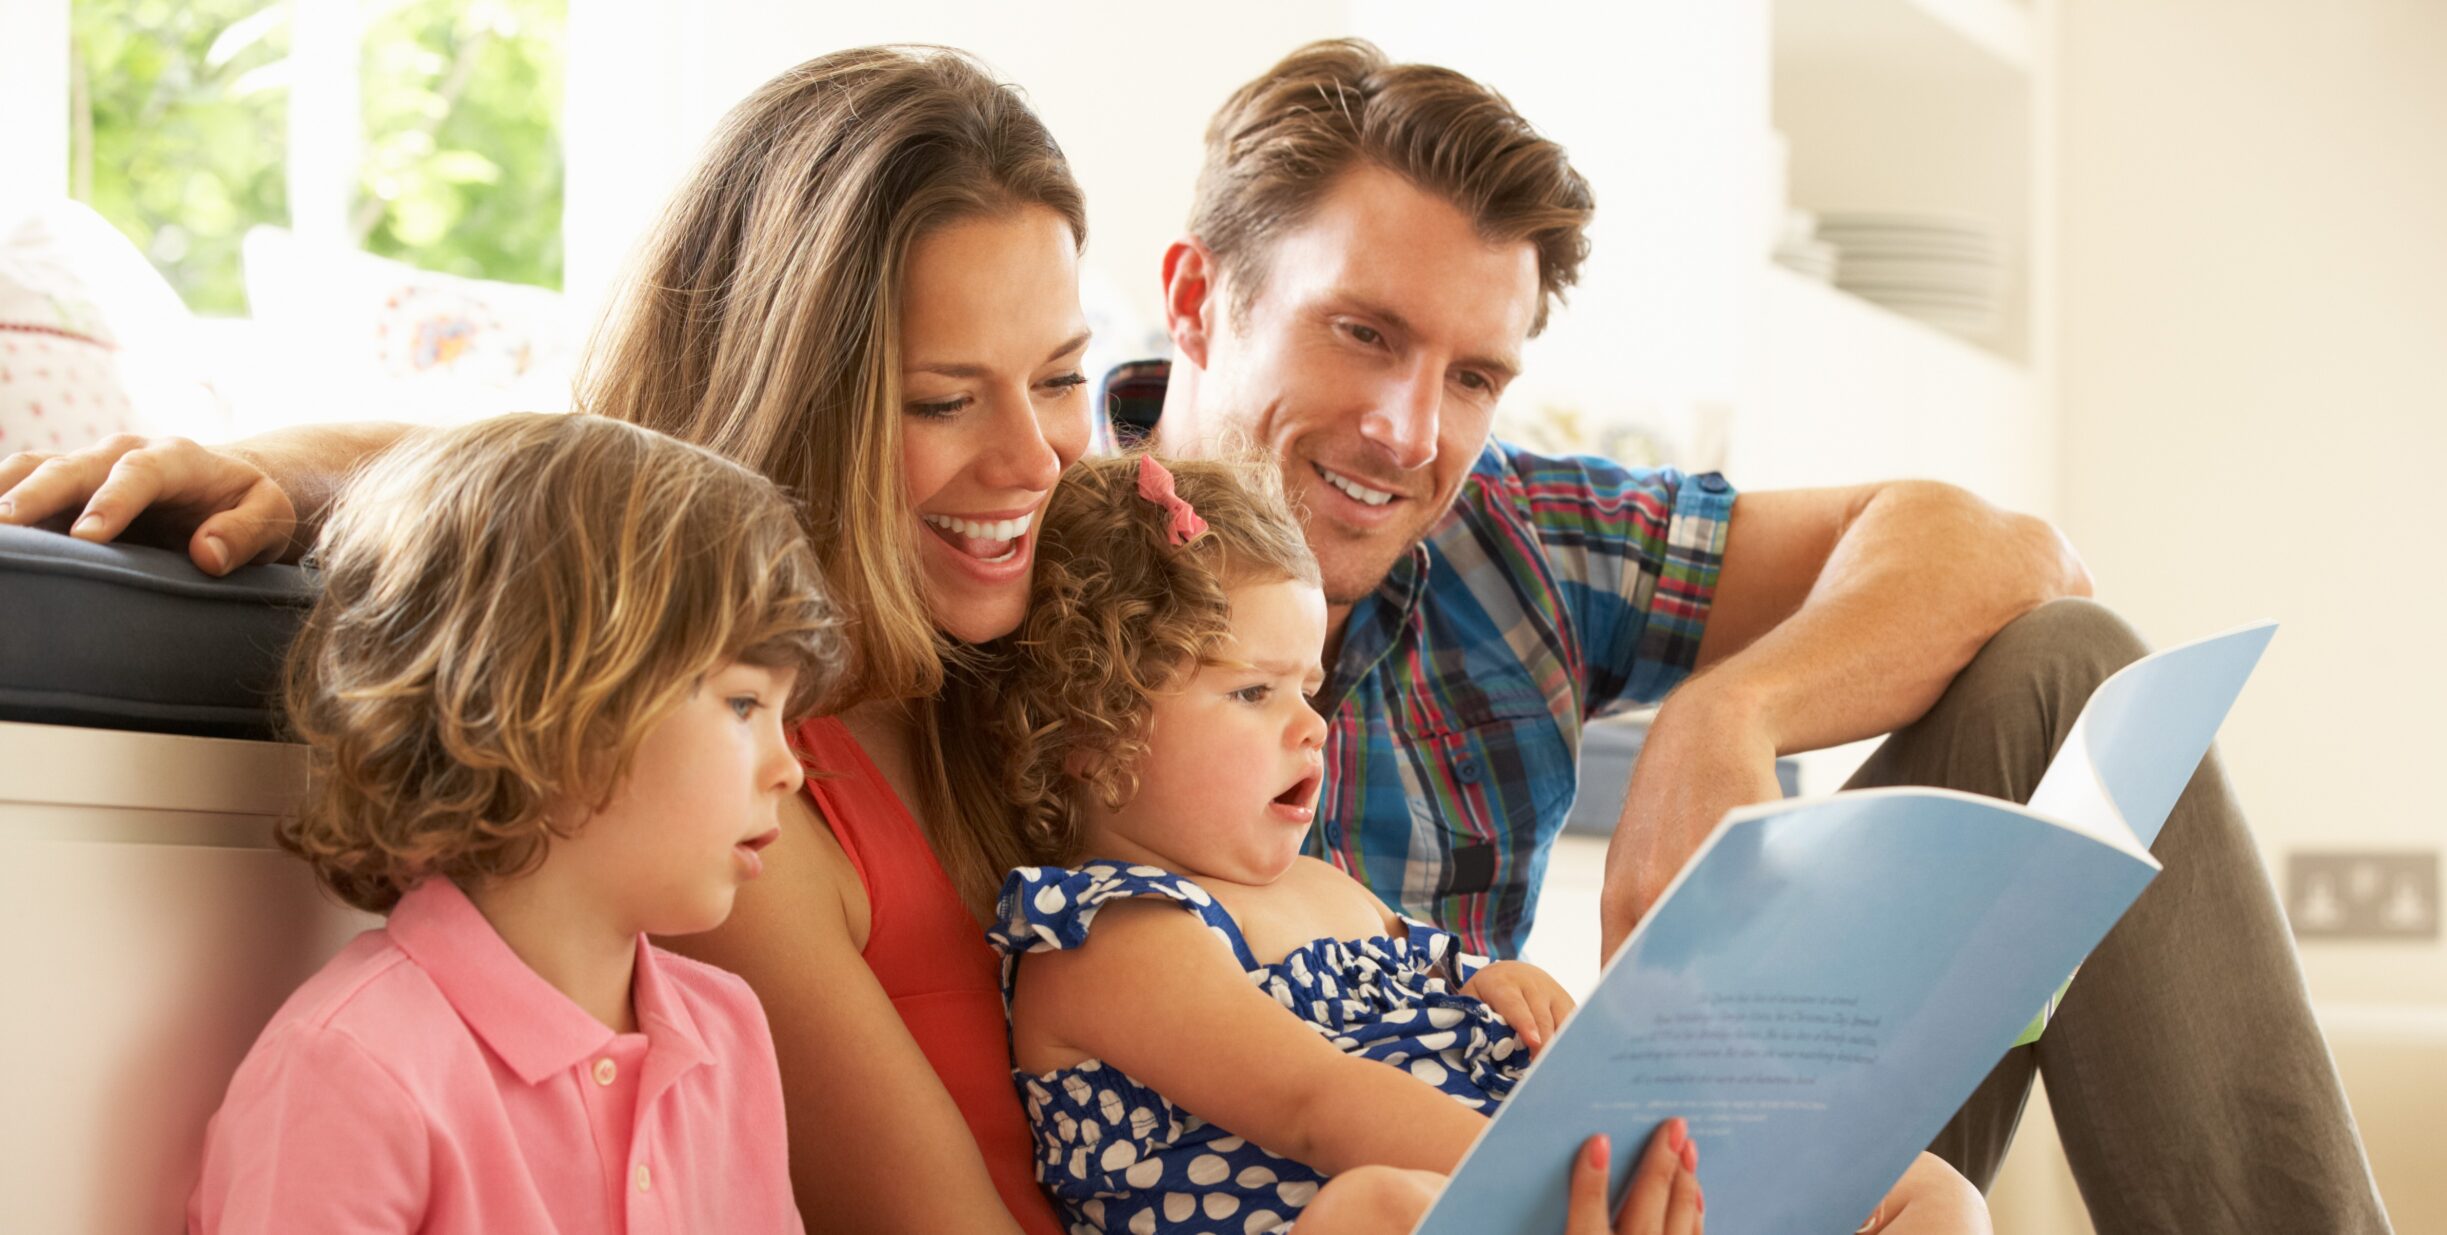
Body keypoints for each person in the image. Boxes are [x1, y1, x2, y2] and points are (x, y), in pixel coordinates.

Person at [5, 45, 1699, 1235]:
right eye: (943, 401)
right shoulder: (732, 811)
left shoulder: (1040, 650)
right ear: (796, 411)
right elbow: (608, 474)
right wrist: (303, 472)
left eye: (1057, 378)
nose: (1038, 463)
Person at [1103, 37, 2391, 1233]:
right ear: (1198, 296)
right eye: (1362, 332)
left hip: (1598, 1172)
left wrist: (1728, 712)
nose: (1409, 428)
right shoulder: (1030, 568)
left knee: (2066, 664)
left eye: (1474, 376)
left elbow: (2010, 549)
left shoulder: (1513, 542)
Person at [977, 452, 1986, 1235]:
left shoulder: (1329, 887)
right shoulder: (1105, 936)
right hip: (1456, 1195)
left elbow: (1465, 986)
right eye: (1252, 692)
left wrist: (1513, 989)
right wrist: (1565, 1171)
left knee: (1919, 1181)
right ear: (1091, 734)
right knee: (1373, 1206)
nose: (1309, 725)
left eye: (1309, 688)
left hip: (1539, 1182)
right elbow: (1316, 1104)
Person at [188, 412, 844, 1232]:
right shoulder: (348, 1068)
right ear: (550, 707)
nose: (788, 767)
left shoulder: (726, 1027)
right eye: (745, 703)